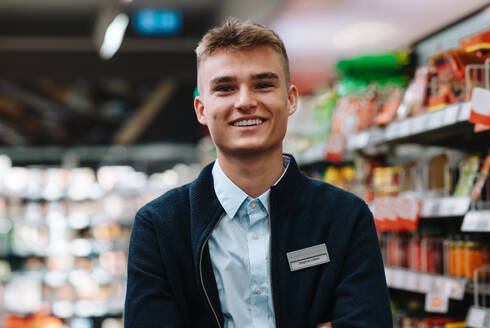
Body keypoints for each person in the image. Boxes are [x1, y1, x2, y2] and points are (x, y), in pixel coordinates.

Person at [125, 18, 392, 328]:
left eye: (263, 85)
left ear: (290, 99)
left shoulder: (345, 217)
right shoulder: (159, 228)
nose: (245, 101)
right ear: (201, 109)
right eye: (225, 88)